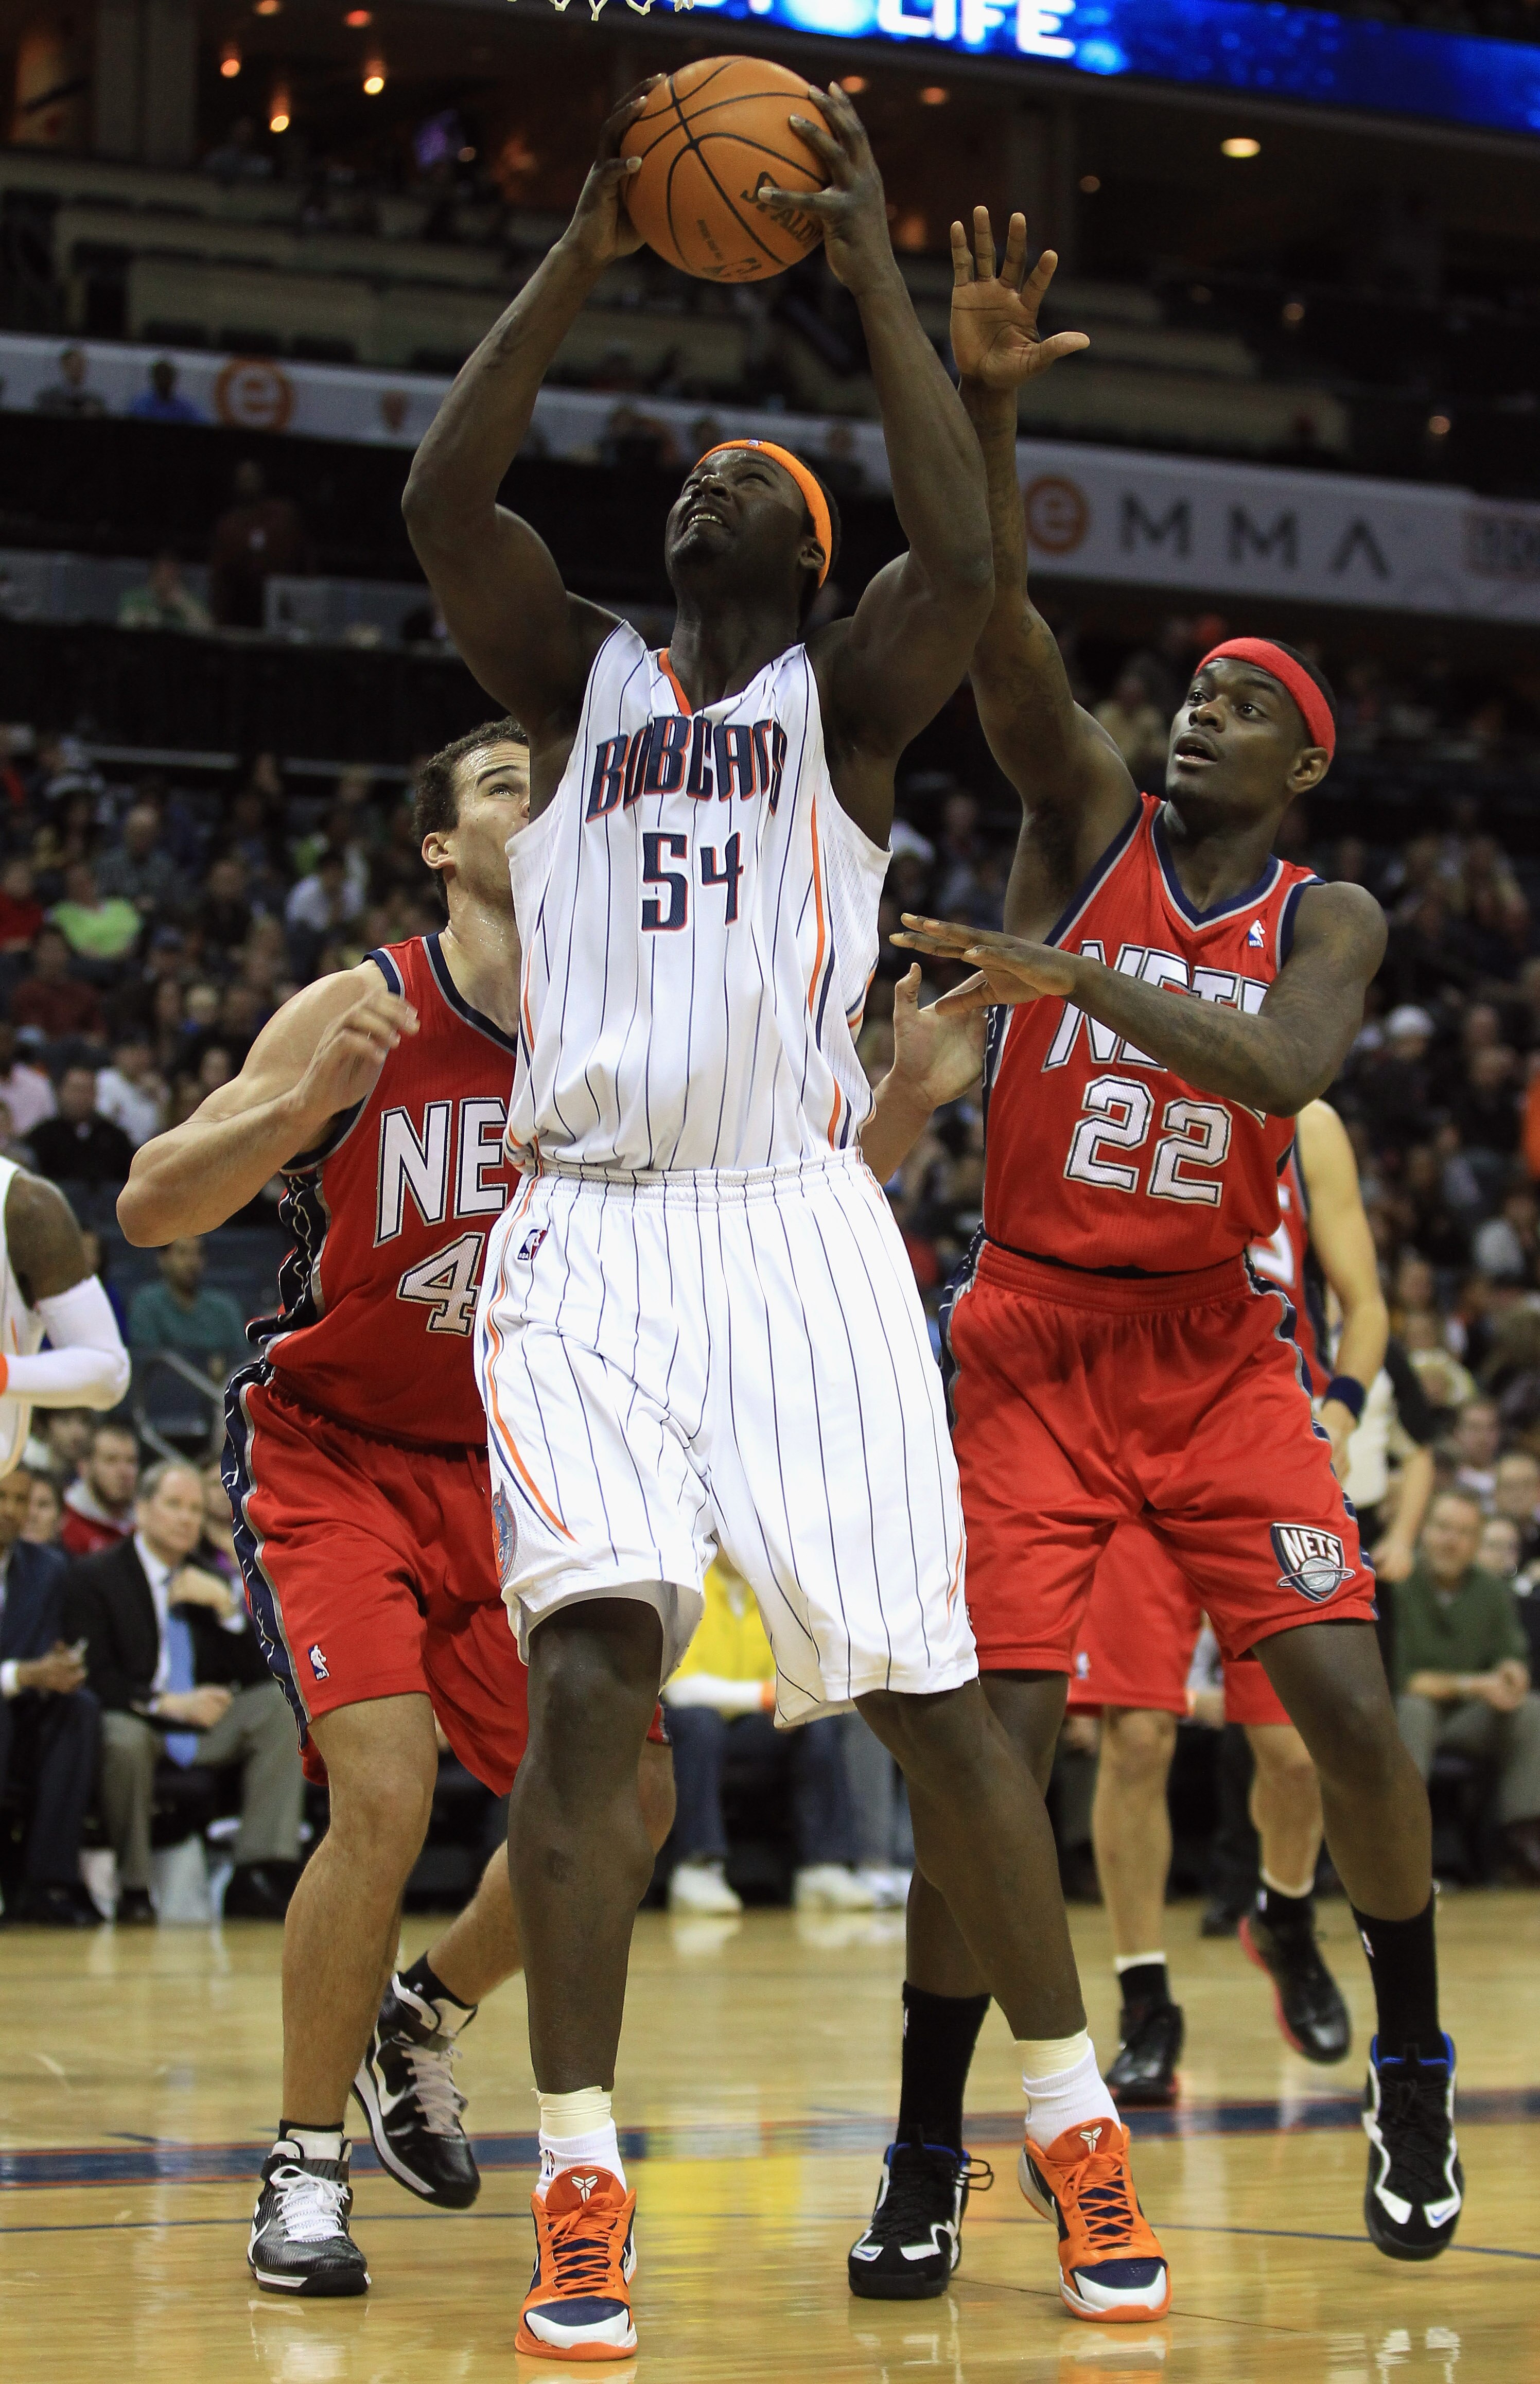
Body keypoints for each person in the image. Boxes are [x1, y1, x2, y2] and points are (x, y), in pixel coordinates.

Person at [403, 91, 1169, 2357]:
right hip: (593, 1237)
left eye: (753, 481)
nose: (703, 481)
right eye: (692, 482)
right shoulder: (581, 691)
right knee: (586, 1689)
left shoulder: (841, 706)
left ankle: (1067, 2115)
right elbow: (449, 504)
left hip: (797, 1230)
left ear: (809, 553)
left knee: (939, 1715)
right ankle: (578, 2179)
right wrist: (573, 251)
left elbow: (971, 561)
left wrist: (869, 283)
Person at [877, 205, 1459, 2285]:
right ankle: (931, 2140)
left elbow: (1280, 1071)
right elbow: (998, 619)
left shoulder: (1328, 918)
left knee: (1349, 1719)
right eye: (1188, 692)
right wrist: (990, 405)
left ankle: (1404, 2058)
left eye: (1239, 705)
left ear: (1300, 765)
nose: (1192, 715)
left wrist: (1059, 974)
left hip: (1220, 1354)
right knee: (1000, 1763)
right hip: (1029, 1339)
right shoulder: (1082, 818)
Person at [117, 722, 680, 2297]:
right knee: (385, 1786)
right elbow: (152, 1198)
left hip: (518, 1466)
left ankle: (419, 2011)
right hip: (332, 1445)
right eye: (505, 787)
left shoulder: (613, 1031)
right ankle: (299, 2169)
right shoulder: (362, 1000)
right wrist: (301, 1101)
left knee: (634, 1810)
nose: (539, 809)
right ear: (439, 844)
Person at [1069, 1095, 1387, 2104]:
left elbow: (1364, 1304)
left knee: (1296, 1753)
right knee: (1135, 1740)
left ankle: (1283, 1916)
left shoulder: (1309, 1122)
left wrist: (1338, 1408)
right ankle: (1142, 1997)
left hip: (1263, 1455)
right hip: (1133, 1449)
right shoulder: (1118, 1093)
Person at [63, 1459, 304, 1926]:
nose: (187, 1518)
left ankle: (257, 1872)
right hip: (141, 1716)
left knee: (277, 1709)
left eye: (195, 1508)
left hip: (202, 1721)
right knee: (124, 1740)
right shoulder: (96, 1576)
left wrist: (227, 1608)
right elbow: (95, 1675)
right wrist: (164, 1704)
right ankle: (135, 1888)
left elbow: (255, 1671)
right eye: (174, 1505)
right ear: (143, 1509)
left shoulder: (203, 1573)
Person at [662, 1553, 872, 1915]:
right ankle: (698, 1869)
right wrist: (766, 1696)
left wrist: (791, 1700)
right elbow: (679, 1689)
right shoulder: (686, 1588)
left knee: (814, 1721)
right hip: (693, 1735)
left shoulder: (769, 1594)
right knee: (699, 1723)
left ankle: (824, 1867)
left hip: (751, 1731)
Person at [1391, 1490, 1540, 1881]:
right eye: (1442, 1528)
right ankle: (1401, 1840)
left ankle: (1523, 1841)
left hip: (1469, 1720)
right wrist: (1476, 1684)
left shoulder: (1491, 1590)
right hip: (1404, 1718)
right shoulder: (1398, 1587)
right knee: (1415, 1709)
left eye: (1463, 1532)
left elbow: (1511, 1653)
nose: (1450, 1541)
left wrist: (1512, 1673)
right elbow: (1408, 1680)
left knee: (1532, 1711)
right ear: (1424, 1531)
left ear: (1476, 1543)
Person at [0, 1465, 101, 1925]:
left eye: (22, 1500)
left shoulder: (48, 1567)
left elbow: (52, 1643)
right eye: (3, 1497)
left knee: (80, 1709)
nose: (12, 1511)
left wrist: (64, 1665)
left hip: (26, 1716)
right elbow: (24, 1670)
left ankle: (46, 1884)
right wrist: (22, 1675)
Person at [126, 1237, 247, 1381]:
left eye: (198, 1253)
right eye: (182, 1253)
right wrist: (207, 1364)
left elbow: (242, 1360)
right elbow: (148, 1361)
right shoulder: (146, 1303)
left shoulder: (225, 1307)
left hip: (219, 1396)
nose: (192, 1262)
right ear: (162, 1259)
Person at [209, 461, 310, 629]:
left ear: (261, 480)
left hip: (281, 608)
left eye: (251, 478)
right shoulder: (228, 525)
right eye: (243, 479)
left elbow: (303, 557)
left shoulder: (283, 516)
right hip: (238, 612)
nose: (248, 483)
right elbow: (219, 575)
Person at [29, 1067, 134, 1189]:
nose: (81, 1097)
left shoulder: (115, 1137)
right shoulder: (42, 1135)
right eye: (75, 1090)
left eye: (87, 1090)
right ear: (61, 1092)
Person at [59, 1419, 139, 1558]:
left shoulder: (147, 1524)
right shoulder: (63, 1522)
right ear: (84, 1467)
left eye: (131, 1461)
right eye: (111, 1460)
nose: (124, 1472)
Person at [10, 927, 105, 1043]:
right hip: (42, 1054)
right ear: (36, 953)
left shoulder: (84, 992)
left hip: (80, 1053)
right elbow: (31, 1034)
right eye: (47, 950)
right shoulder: (27, 992)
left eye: (58, 949)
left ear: (67, 953)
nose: (53, 956)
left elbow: (98, 1032)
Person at [117, 552, 212, 634]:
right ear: (154, 574)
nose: (166, 580)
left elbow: (206, 631)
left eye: (171, 575)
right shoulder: (134, 597)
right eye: (163, 573)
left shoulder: (192, 602)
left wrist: (181, 603)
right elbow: (128, 624)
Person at [0, 1021, 55, 1137]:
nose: (2, 1049)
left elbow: (50, 1127)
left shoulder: (39, 1084)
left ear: (14, 1045)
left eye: (5, 1042)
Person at [33, 343, 105, 419]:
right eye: (76, 365)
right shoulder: (47, 399)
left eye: (82, 365)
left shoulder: (95, 402)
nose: (80, 370)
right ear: (65, 366)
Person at [127, 357, 205, 426]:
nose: (163, 381)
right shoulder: (140, 404)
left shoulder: (185, 407)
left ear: (173, 379)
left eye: (166, 377)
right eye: (160, 377)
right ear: (154, 378)